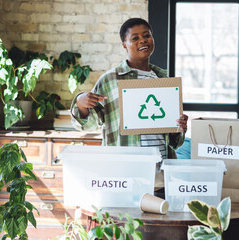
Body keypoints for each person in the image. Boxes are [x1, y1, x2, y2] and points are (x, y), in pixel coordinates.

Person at [70, 18, 188, 188]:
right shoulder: (110, 81)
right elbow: (87, 125)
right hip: (124, 173)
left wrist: (180, 127)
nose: (142, 40)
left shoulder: (165, 80)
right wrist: (81, 104)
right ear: (124, 44)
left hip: (161, 172)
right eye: (135, 38)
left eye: (147, 35)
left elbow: (173, 142)